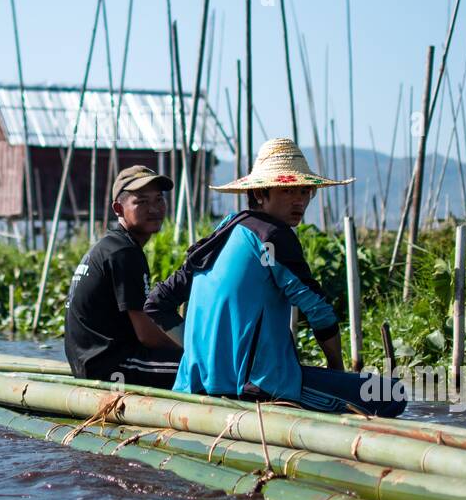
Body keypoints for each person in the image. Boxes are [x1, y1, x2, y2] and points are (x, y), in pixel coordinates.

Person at [145, 138, 405, 417]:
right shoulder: (273, 234)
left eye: (306, 191)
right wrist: (336, 369)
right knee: (392, 394)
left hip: (194, 388)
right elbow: (319, 311)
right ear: (260, 194)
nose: (300, 201)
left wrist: (204, 353)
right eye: (288, 191)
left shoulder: (224, 231)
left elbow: (157, 303)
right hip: (256, 389)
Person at [64, 165, 183, 387]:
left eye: (159, 199)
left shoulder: (115, 245)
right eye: (142, 202)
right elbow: (146, 334)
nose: (154, 208)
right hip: (109, 366)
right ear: (118, 208)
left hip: (90, 360)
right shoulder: (123, 252)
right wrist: (190, 346)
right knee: (202, 366)